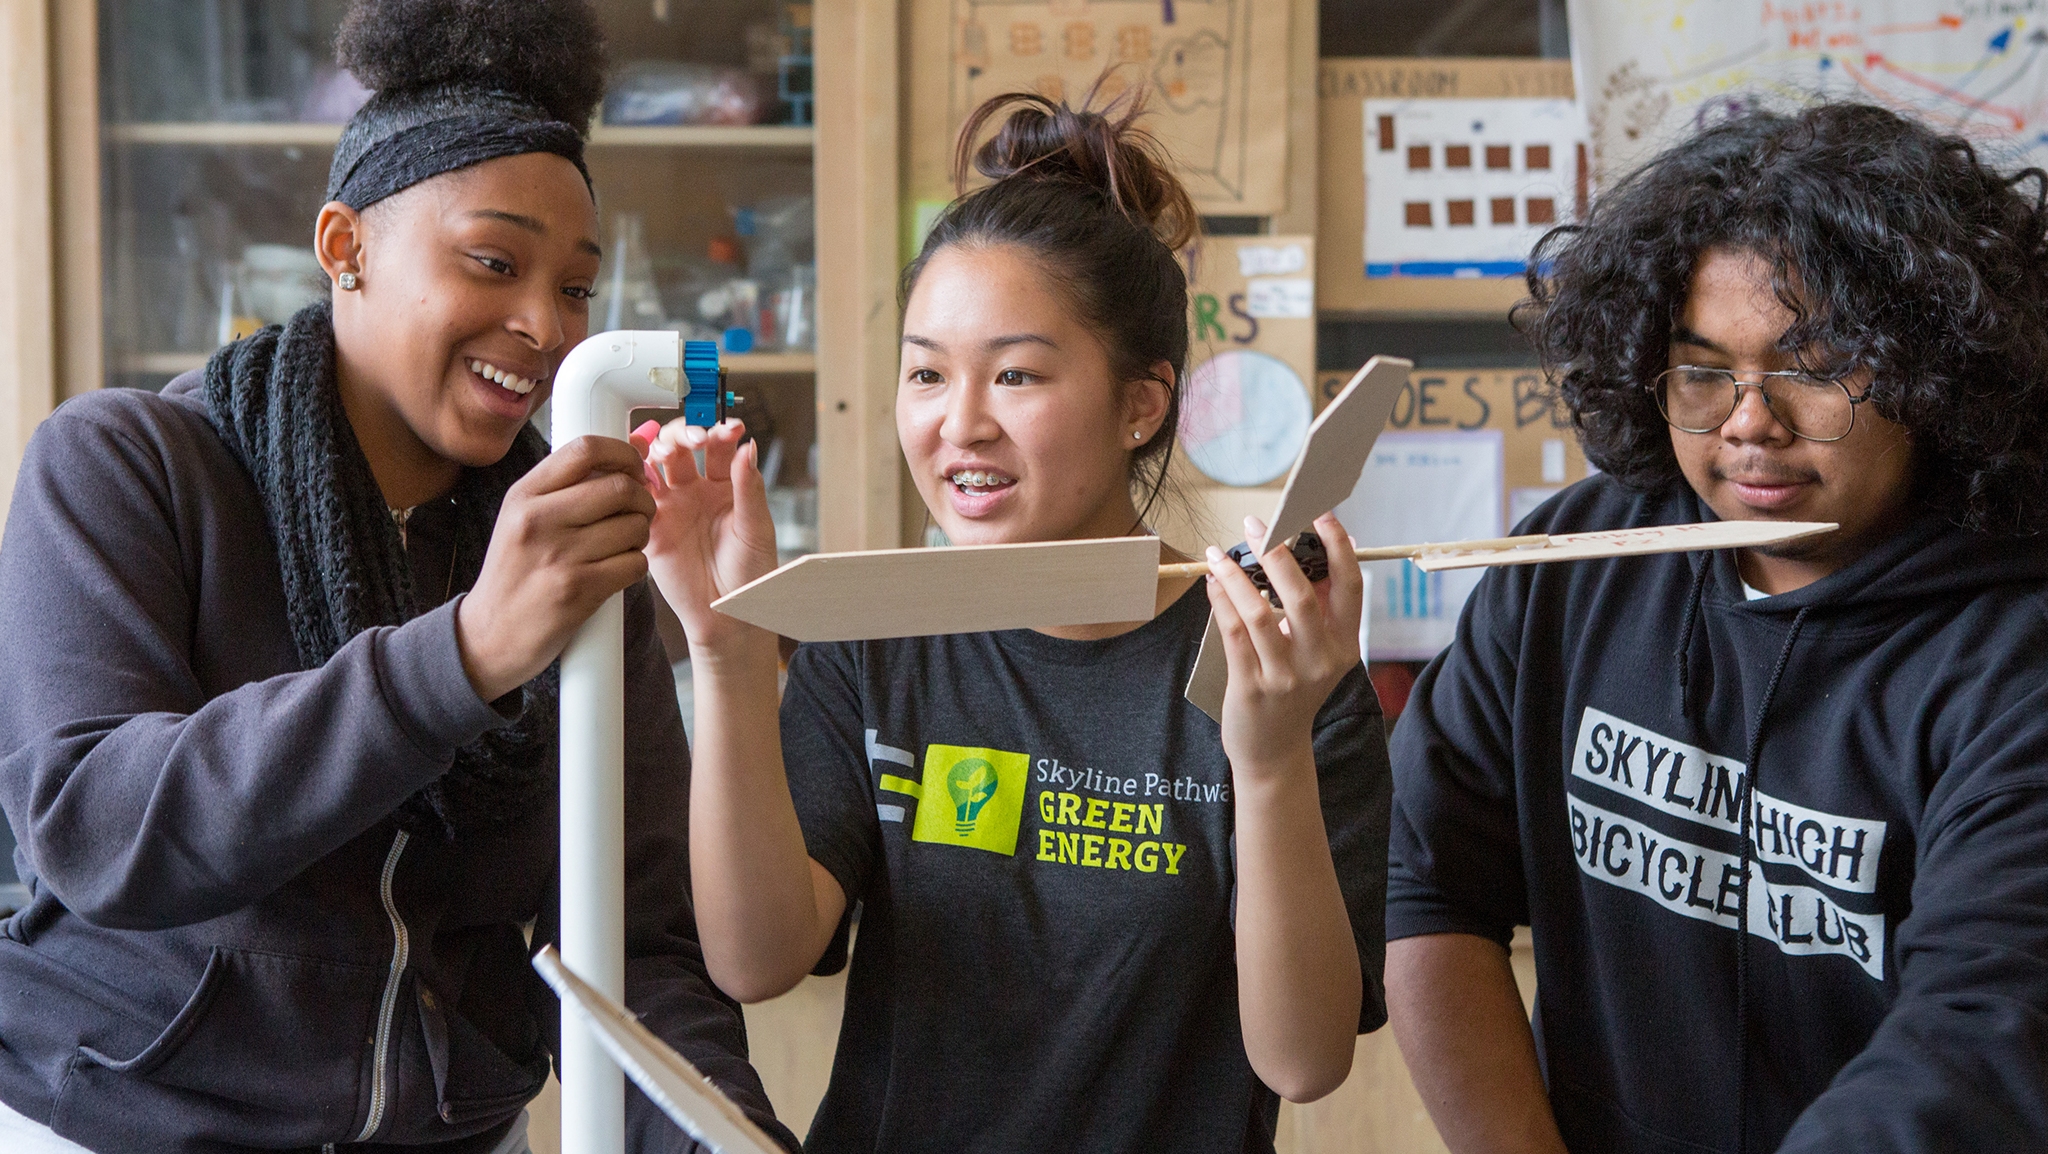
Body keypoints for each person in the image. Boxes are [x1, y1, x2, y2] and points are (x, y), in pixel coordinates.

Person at [0, 2, 795, 1151]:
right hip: (123, 1116)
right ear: (344, 246)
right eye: (492, 261)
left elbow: (632, 936)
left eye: (575, 286)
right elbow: (98, 824)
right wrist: (465, 651)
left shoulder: (569, 543)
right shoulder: (127, 462)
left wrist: (723, 1132)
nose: (542, 324)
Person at [631, 90, 1390, 1152]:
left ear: (1142, 403)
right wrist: (724, 645)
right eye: (926, 372)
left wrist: (1266, 761)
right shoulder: (877, 633)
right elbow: (756, 959)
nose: (958, 422)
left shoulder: (1275, 663)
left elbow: (1302, 1059)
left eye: (1017, 373)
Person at [1384, 101, 2048, 1154]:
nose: (1748, 421)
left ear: (1936, 371)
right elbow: (1424, 882)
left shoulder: (2012, 660)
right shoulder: (1568, 563)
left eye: (1816, 364)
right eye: (1702, 371)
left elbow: (1978, 1039)